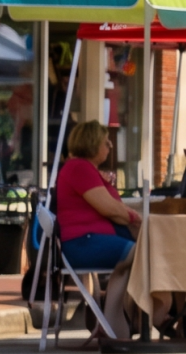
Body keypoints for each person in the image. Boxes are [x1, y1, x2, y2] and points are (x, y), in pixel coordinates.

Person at [54, 121, 139, 340]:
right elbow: (109, 208)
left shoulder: (86, 169)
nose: (110, 146)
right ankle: (112, 318)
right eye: (105, 142)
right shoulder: (79, 168)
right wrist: (134, 217)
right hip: (83, 243)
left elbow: (112, 206)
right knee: (136, 253)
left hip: (90, 239)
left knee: (136, 255)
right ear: (92, 144)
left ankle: (111, 320)